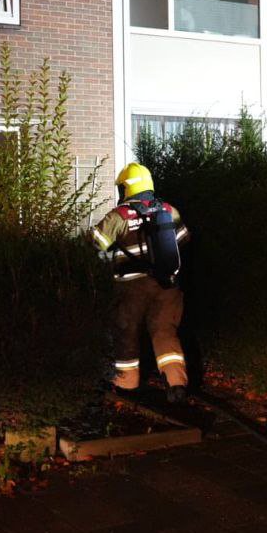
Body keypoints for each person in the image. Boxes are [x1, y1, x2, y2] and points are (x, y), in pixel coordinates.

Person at [90, 163, 191, 403]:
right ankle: (176, 382)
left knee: (126, 332)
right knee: (165, 332)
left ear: (125, 188)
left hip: (131, 288)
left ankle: (127, 383)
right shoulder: (169, 210)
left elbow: (94, 243)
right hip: (167, 285)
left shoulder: (119, 215)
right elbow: (184, 241)